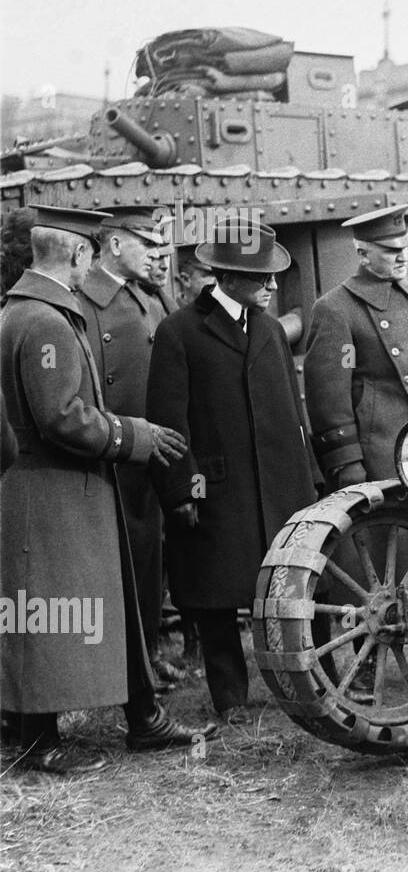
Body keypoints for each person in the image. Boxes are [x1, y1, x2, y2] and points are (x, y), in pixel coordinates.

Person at [1, 205, 216, 773]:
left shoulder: (27, 310)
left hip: (63, 492)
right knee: (43, 616)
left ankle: (143, 717)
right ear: (77, 254)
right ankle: (36, 740)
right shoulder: (44, 320)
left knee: (103, 600)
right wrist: (133, 435)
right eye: (89, 252)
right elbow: (61, 417)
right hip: (54, 495)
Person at [146, 216, 317, 723]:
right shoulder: (179, 332)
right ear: (226, 276)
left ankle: (295, 683)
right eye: (261, 277)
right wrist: (186, 491)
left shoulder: (266, 329)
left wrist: (309, 479)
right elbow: (168, 424)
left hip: (280, 489)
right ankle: (231, 700)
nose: (271, 285)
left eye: (272, 276)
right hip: (218, 491)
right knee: (216, 597)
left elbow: (293, 411)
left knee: (285, 591)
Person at [77, 207, 186, 687]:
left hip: (149, 451)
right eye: (148, 244)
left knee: (148, 557)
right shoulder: (83, 300)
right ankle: (118, 667)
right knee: (112, 564)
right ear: (116, 244)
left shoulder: (149, 296)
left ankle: (147, 651)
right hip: (108, 453)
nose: (157, 255)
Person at [304, 204, 408, 488]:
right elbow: (331, 399)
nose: (402, 257)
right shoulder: (337, 309)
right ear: (363, 254)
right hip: (383, 459)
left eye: (405, 247)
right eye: (390, 250)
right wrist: (348, 466)